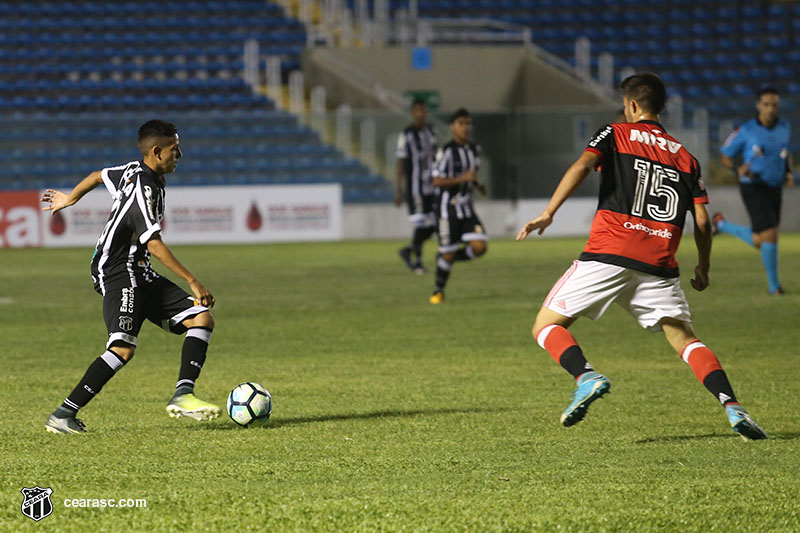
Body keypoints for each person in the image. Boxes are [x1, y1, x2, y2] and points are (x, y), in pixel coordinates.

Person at [516, 73, 767, 440]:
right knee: (685, 340)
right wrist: (704, 265)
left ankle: (586, 376)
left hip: (609, 252)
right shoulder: (686, 157)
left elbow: (582, 166)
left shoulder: (614, 133)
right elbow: (701, 221)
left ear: (632, 105)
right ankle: (733, 406)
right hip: (658, 263)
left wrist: (548, 212)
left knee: (545, 326)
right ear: (661, 107)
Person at [41, 119, 221, 434]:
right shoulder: (144, 188)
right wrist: (193, 281)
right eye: (175, 149)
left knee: (201, 318)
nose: (179, 155)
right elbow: (154, 243)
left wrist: (71, 198)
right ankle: (63, 415)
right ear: (157, 151)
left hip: (139, 270)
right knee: (122, 348)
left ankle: (183, 395)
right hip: (118, 271)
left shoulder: (133, 170)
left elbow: (98, 175)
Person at [716, 86, 793, 295]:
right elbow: (725, 155)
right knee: (770, 234)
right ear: (759, 105)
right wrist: (737, 169)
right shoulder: (746, 130)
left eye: (774, 105)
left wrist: (788, 172)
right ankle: (774, 287)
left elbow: (784, 154)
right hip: (753, 185)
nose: (770, 109)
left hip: (774, 187)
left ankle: (722, 225)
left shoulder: (785, 127)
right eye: (766, 104)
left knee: (763, 239)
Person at [429, 108, 487, 304]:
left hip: (467, 208)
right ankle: (438, 292)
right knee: (449, 251)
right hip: (447, 210)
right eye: (461, 123)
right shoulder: (445, 152)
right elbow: (436, 180)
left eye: (468, 123)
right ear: (452, 127)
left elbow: (471, 175)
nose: (465, 127)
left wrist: (478, 185)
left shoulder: (474, 150)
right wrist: (463, 178)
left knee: (480, 247)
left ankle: (445, 257)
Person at [395, 98, 438, 274]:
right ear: (412, 113)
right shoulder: (405, 135)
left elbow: (435, 157)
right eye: (417, 111)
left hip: (432, 186)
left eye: (423, 110)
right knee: (421, 223)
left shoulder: (431, 132)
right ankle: (418, 262)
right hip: (415, 188)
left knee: (434, 223)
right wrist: (398, 190)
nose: (420, 114)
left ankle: (409, 250)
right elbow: (400, 163)